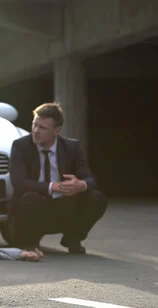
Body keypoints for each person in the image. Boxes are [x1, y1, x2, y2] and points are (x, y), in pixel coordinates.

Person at [9, 102, 108, 254]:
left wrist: (80, 185)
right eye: (34, 125)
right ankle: (29, 243)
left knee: (97, 198)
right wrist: (52, 186)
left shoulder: (71, 147)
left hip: (63, 206)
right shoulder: (20, 146)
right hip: (34, 208)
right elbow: (19, 182)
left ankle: (73, 238)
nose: (35, 131)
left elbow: (90, 179)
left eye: (42, 128)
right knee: (29, 197)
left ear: (57, 130)